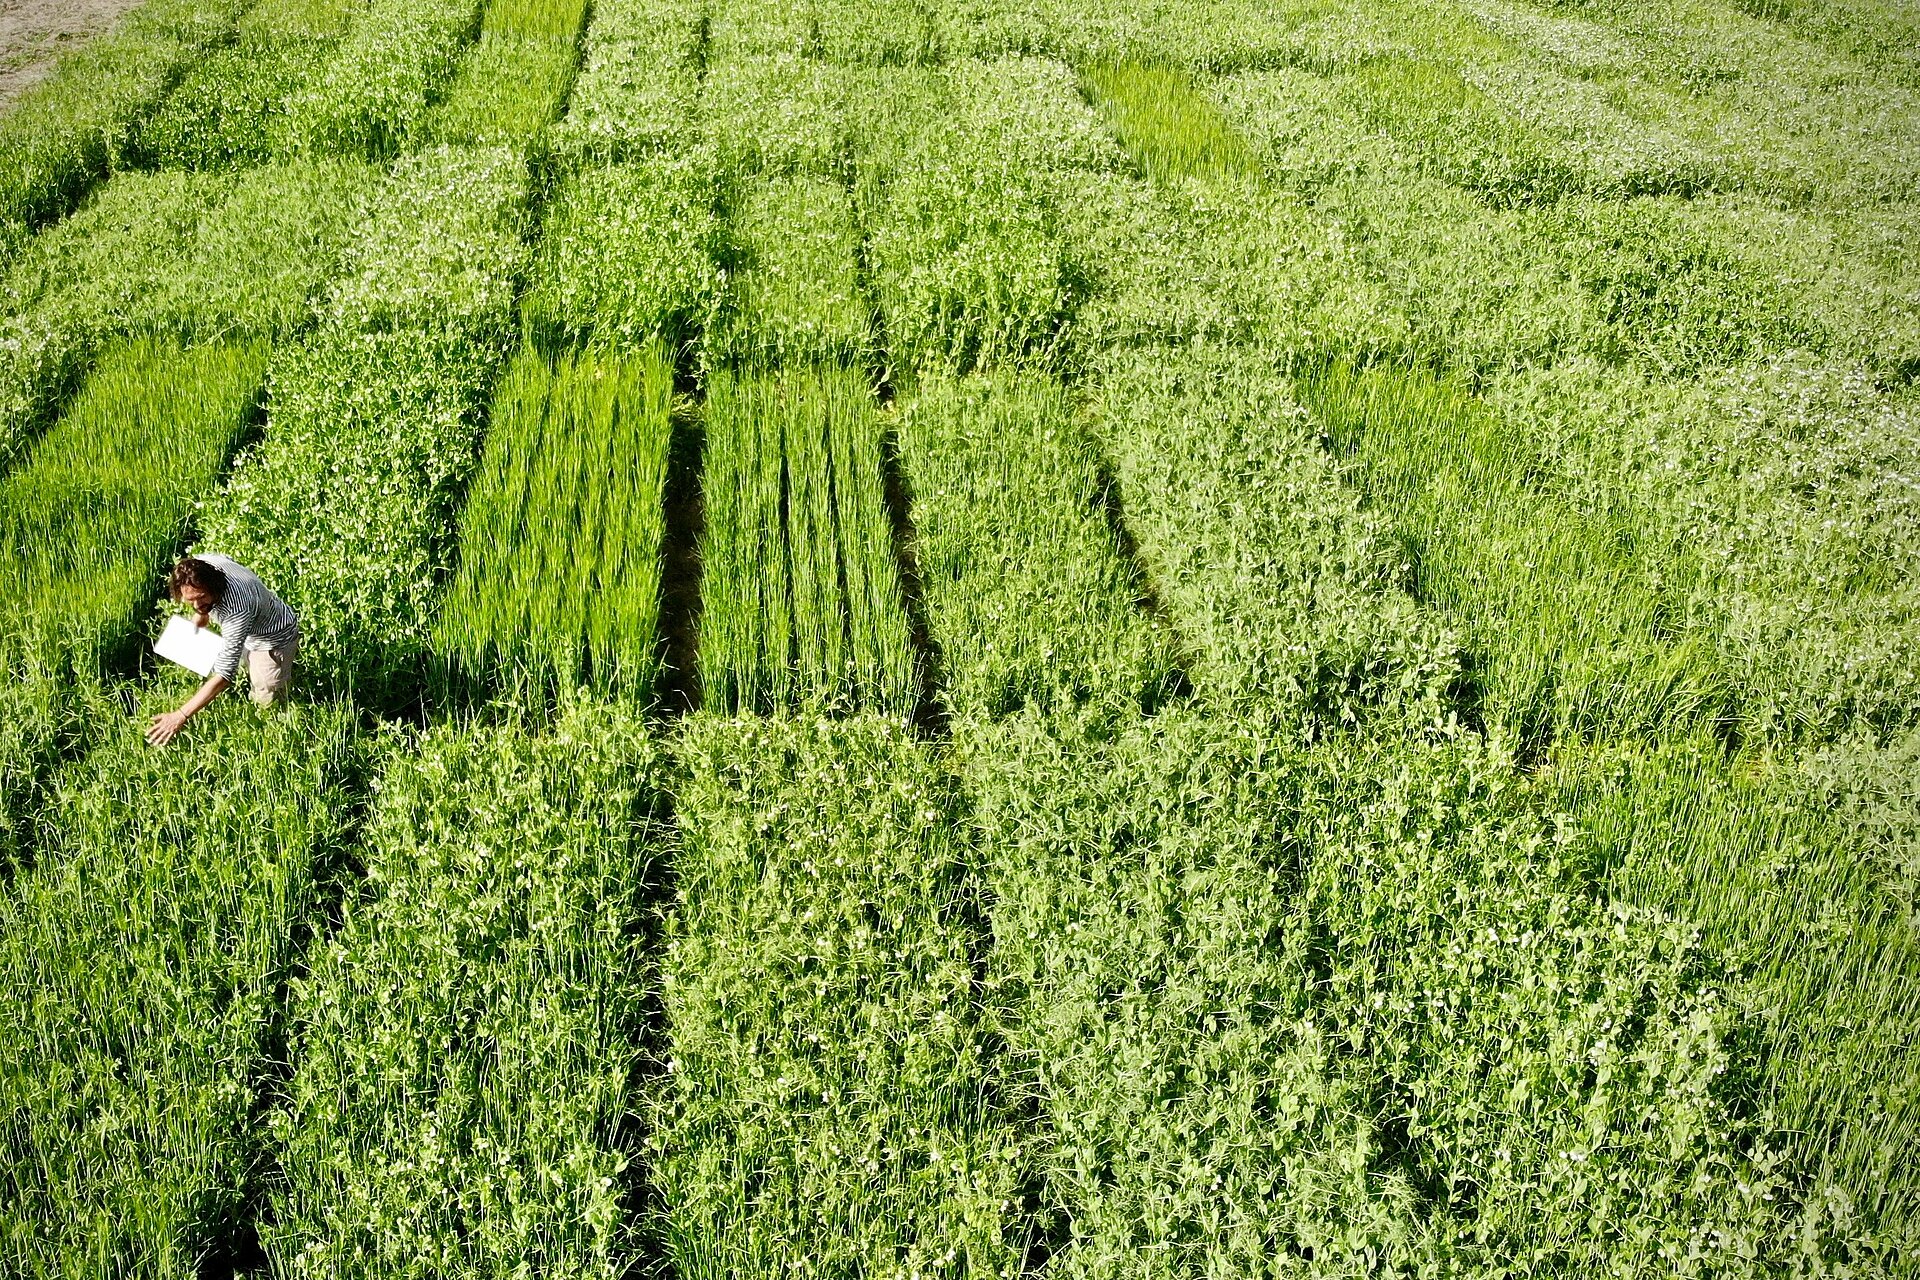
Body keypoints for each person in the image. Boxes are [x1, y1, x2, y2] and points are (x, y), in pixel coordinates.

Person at [146, 554, 301, 746]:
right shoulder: (205, 563)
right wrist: (201, 613)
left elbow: (225, 675)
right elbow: (201, 594)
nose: (196, 605)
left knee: (266, 698)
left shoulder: (237, 610)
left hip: (272, 640)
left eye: (201, 598)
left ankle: (272, 738)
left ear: (214, 587)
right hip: (251, 629)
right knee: (237, 658)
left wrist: (180, 715)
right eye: (190, 601)